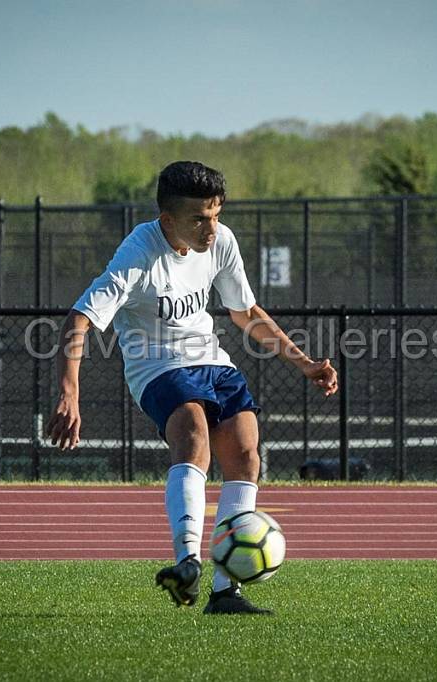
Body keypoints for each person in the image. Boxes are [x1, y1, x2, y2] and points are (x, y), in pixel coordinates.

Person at [45, 161, 338, 615]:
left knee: (245, 454)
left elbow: (245, 313)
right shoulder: (138, 253)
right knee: (195, 437)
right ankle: (187, 562)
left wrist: (303, 363)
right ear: (168, 219)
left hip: (211, 361)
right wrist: (69, 392)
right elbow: (80, 317)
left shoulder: (222, 241)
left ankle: (226, 592)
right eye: (199, 218)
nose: (211, 227)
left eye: (216, 213)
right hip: (157, 367)